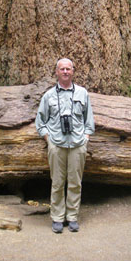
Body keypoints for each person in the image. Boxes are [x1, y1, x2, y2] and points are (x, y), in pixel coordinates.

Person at [35, 58, 95, 233]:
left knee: (75, 182)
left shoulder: (83, 94)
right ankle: (57, 218)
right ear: (56, 72)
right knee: (58, 182)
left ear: (73, 71)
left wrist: (86, 138)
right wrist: (49, 140)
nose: (65, 71)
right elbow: (40, 121)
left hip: (77, 144)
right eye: (62, 69)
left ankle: (72, 217)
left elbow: (89, 120)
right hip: (57, 144)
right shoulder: (48, 96)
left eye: (68, 69)